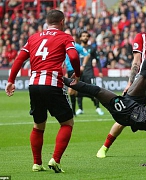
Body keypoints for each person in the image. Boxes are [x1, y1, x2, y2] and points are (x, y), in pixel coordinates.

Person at [63, 29, 146, 166]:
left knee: (96, 91)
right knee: (144, 73)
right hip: (134, 105)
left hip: (126, 112)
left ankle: (63, 80)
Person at [5, 10, 81, 173]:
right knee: (67, 123)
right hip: (52, 83)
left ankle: (37, 163)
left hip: (34, 85)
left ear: (47, 22)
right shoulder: (64, 36)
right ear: (62, 22)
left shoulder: (34, 38)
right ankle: (55, 159)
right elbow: (73, 56)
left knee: (38, 125)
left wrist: (11, 80)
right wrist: (78, 73)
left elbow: (19, 58)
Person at [96, 12, 146, 159]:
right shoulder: (141, 37)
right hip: (141, 83)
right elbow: (136, 62)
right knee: (124, 118)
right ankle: (105, 147)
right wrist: (130, 83)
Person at [75, 30, 105, 116]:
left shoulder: (92, 48)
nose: (85, 37)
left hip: (89, 73)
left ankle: (98, 108)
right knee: (78, 90)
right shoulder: (76, 48)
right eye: (83, 36)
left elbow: (98, 60)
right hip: (79, 73)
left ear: (88, 38)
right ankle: (80, 109)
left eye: (86, 36)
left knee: (94, 90)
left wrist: (100, 71)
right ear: (80, 38)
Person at [64, 29, 90, 116]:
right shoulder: (63, 45)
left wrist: (83, 65)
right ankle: (73, 111)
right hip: (68, 70)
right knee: (72, 91)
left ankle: (72, 111)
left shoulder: (75, 45)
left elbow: (86, 54)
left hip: (74, 70)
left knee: (71, 90)